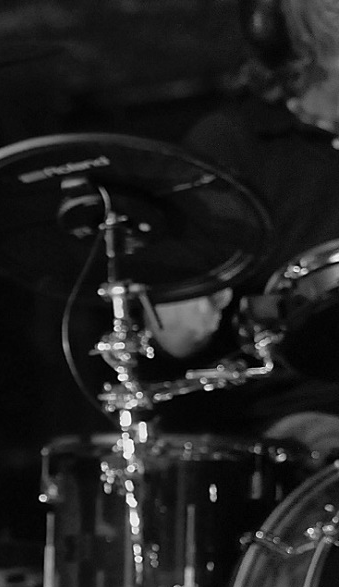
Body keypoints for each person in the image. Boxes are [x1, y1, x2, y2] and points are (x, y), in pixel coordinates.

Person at [145, 0, 339, 460]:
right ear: (294, 43)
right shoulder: (232, 145)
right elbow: (179, 335)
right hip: (300, 416)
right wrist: (186, 308)